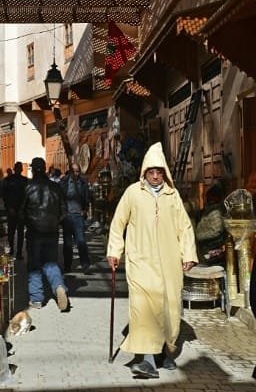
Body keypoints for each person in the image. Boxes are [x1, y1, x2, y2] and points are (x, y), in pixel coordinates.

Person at [106, 142, 198, 379]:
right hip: (140, 261)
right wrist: (115, 251)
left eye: (159, 172)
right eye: (151, 172)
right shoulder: (133, 193)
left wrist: (188, 254)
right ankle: (147, 360)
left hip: (169, 263)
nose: (155, 177)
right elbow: (118, 224)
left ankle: (166, 352)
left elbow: (185, 228)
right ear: (144, 173)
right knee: (142, 307)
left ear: (164, 174)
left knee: (169, 308)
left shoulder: (172, 195)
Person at [20, 157, 69, 311]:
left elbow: (21, 211)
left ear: (33, 169)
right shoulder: (56, 187)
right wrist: (55, 222)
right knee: (50, 262)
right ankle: (59, 286)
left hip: (34, 231)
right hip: (51, 230)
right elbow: (64, 210)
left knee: (34, 264)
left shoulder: (27, 187)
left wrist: (27, 223)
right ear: (45, 169)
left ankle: (36, 299)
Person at [60, 162, 91, 273]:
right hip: (67, 216)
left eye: (78, 171)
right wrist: (62, 214)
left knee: (81, 241)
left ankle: (85, 264)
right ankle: (67, 265)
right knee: (68, 243)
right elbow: (60, 198)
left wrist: (85, 210)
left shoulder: (82, 182)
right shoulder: (64, 182)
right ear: (70, 171)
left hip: (78, 216)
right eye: (74, 171)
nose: (76, 173)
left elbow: (87, 196)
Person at [195, 182, 227, 265]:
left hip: (211, 245)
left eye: (209, 197)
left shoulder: (215, 211)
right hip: (207, 244)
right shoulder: (210, 210)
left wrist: (198, 236)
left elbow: (216, 230)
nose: (207, 199)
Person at [2, 161, 28, 259]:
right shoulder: (8, 180)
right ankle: (14, 250)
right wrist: (9, 208)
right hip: (14, 209)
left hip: (17, 210)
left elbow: (26, 196)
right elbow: (4, 195)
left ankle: (17, 251)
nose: (18, 169)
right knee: (13, 232)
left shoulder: (23, 180)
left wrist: (18, 208)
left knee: (16, 232)